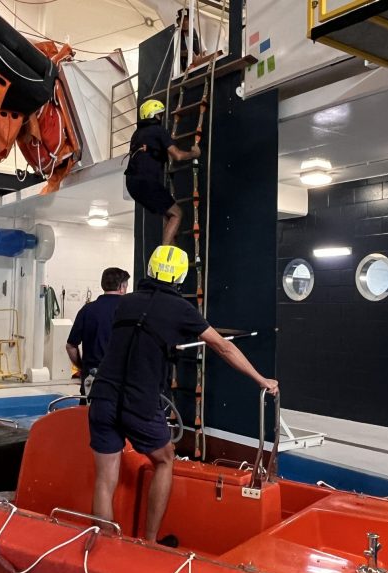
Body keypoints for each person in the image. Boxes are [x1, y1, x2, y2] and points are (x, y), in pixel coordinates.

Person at [87, 245, 278, 544]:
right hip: (140, 400)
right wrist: (260, 379)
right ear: (180, 278)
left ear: (150, 269)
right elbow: (223, 347)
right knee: (165, 460)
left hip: (103, 396)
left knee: (105, 477)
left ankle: (103, 546)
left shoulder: (126, 303)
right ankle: (150, 542)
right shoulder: (182, 310)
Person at [124, 100, 200, 246]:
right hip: (147, 182)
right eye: (160, 114)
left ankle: (171, 249)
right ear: (155, 115)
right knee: (177, 214)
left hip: (132, 184)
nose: (162, 117)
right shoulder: (158, 130)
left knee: (168, 214)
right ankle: (165, 252)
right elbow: (177, 155)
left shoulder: (137, 134)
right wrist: (193, 154)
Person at [66, 267, 131, 400]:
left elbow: (70, 346)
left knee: (88, 411)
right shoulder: (130, 310)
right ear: (122, 287)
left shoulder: (87, 310)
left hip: (91, 378)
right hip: (121, 380)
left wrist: (82, 366)